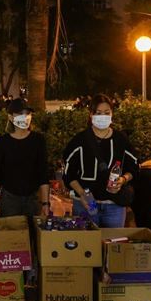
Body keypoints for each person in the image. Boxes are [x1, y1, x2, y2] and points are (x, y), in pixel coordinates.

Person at [62, 94, 139, 228]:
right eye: (98, 113)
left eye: (106, 113)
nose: (103, 116)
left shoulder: (120, 140)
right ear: (91, 114)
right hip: (85, 206)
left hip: (114, 206)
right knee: (87, 246)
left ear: (112, 114)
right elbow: (68, 174)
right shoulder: (79, 141)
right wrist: (82, 194)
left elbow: (134, 167)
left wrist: (123, 180)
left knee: (112, 246)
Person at [0, 99, 49, 224]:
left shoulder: (38, 141)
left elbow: (43, 174)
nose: (25, 118)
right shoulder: (1, 143)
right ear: (11, 117)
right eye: (20, 114)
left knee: (33, 238)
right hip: (9, 199)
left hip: (33, 199)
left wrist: (45, 203)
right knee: (12, 238)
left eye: (28, 114)